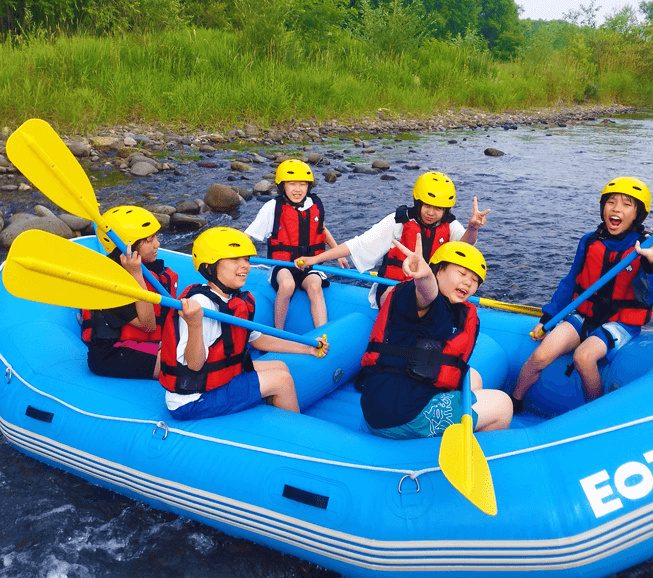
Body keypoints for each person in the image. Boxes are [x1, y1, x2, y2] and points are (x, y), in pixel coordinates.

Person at [510, 177, 653, 408]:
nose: (616, 209)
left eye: (627, 205)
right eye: (611, 202)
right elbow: (570, 282)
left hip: (620, 322)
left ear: (638, 214)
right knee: (539, 356)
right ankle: (513, 403)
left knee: (583, 357)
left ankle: (593, 416)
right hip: (585, 316)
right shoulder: (589, 241)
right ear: (602, 207)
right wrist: (548, 319)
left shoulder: (645, 249)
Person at [159, 227, 329, 421]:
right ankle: (292, 437)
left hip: (211, 383)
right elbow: (195, 364)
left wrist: (307, 348)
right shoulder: (202, 305)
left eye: (246, 260)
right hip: (193, 400)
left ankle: (272, 414)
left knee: (281, 366)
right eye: (234, 260)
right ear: (209, 266)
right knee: (282, 381)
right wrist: (195, 324)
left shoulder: (229, 300)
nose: (245, 266)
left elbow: (258, 340)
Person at [357, 237, 513, 439]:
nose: (468, 282)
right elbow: (426, 294)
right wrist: (424, 277)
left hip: (386, 404)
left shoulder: (455, 310)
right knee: (503, 405)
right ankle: (460, 458)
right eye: (462, 273)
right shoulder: (417, 298)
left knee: (474, 378)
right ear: (438, 271)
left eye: (475, 280)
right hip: (400, 415)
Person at [294, 171, 491, 309]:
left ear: (445, 210)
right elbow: (358, 244)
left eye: (438, 208)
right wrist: (315, 259)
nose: (431, 213)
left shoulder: (449, 226)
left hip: (430, 292)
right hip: (394, 288)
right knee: (409, 302)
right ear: (418, 202)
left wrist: (472, 228)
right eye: (427, 206)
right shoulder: (398, 222)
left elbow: (464, 248)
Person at [244, 159, 346, 330]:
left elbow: (321, 229)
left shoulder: (314, 204)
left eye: (303, 184)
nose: (298, 189)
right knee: (287, 284)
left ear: (309, 187)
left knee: (315, 285)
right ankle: (279, 331)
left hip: (310, 264)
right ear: (282, 186)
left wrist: (338, 252)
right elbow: (249, 236)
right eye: (292, 184)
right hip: (282, 264)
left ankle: (322, 333)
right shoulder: (272, 208)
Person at [81, 206, 178, 380]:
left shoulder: (144, 267)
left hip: (141, 342)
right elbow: (148, 325)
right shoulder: (111, 283)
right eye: (150, 239)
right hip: (111, 352)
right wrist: (137, 277)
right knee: (182, 363)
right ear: (129, 245)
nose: (158, 244)